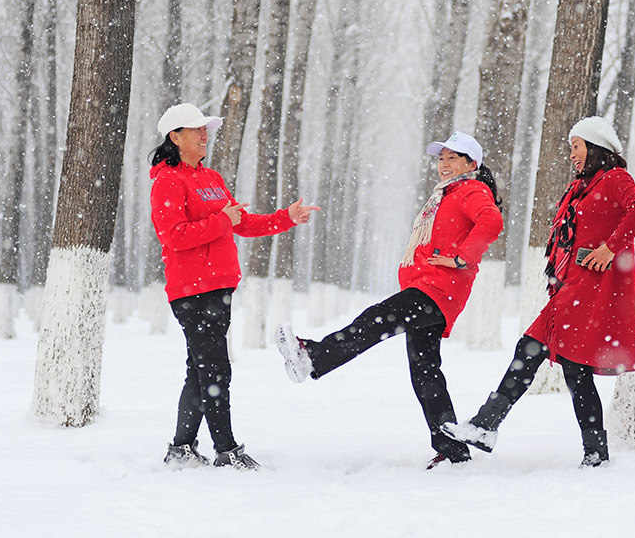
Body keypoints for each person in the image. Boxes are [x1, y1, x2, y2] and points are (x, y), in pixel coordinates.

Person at [275, 132, 503, 469]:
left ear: (472, 164)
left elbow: (492, 221)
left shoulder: (471, 189)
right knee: (425, 372)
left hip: (438, 289)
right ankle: (453, 451)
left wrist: (460, 258)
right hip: (431, 288)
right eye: (441, 158)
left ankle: (313, 357)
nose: (444, 164)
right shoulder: (448, 193)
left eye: (453, 158)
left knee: (375, 320)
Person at [441, 116, 635, 467]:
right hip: (573, 286)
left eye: (576, 146)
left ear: (595, 145)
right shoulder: (582, 186)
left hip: (590, 288)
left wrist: (610, 248)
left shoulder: (615, 178)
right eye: (571, 147)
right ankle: (595, 453)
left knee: (533, 347)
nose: (572, 154)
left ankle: (486, 425)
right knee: (574, 370)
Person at [150, 103, 319, 470]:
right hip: (191, 291)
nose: (203, 134)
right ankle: (226, 451)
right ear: (175, 137)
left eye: (205, 128)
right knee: (215, 370)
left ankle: (181, 449)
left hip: (218, 287)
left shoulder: (210, 178)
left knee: (200, 368)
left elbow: (241, 223)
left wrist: (285, 218)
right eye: (196, 129)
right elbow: (174, 237)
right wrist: (218, 220)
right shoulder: (167, 180)